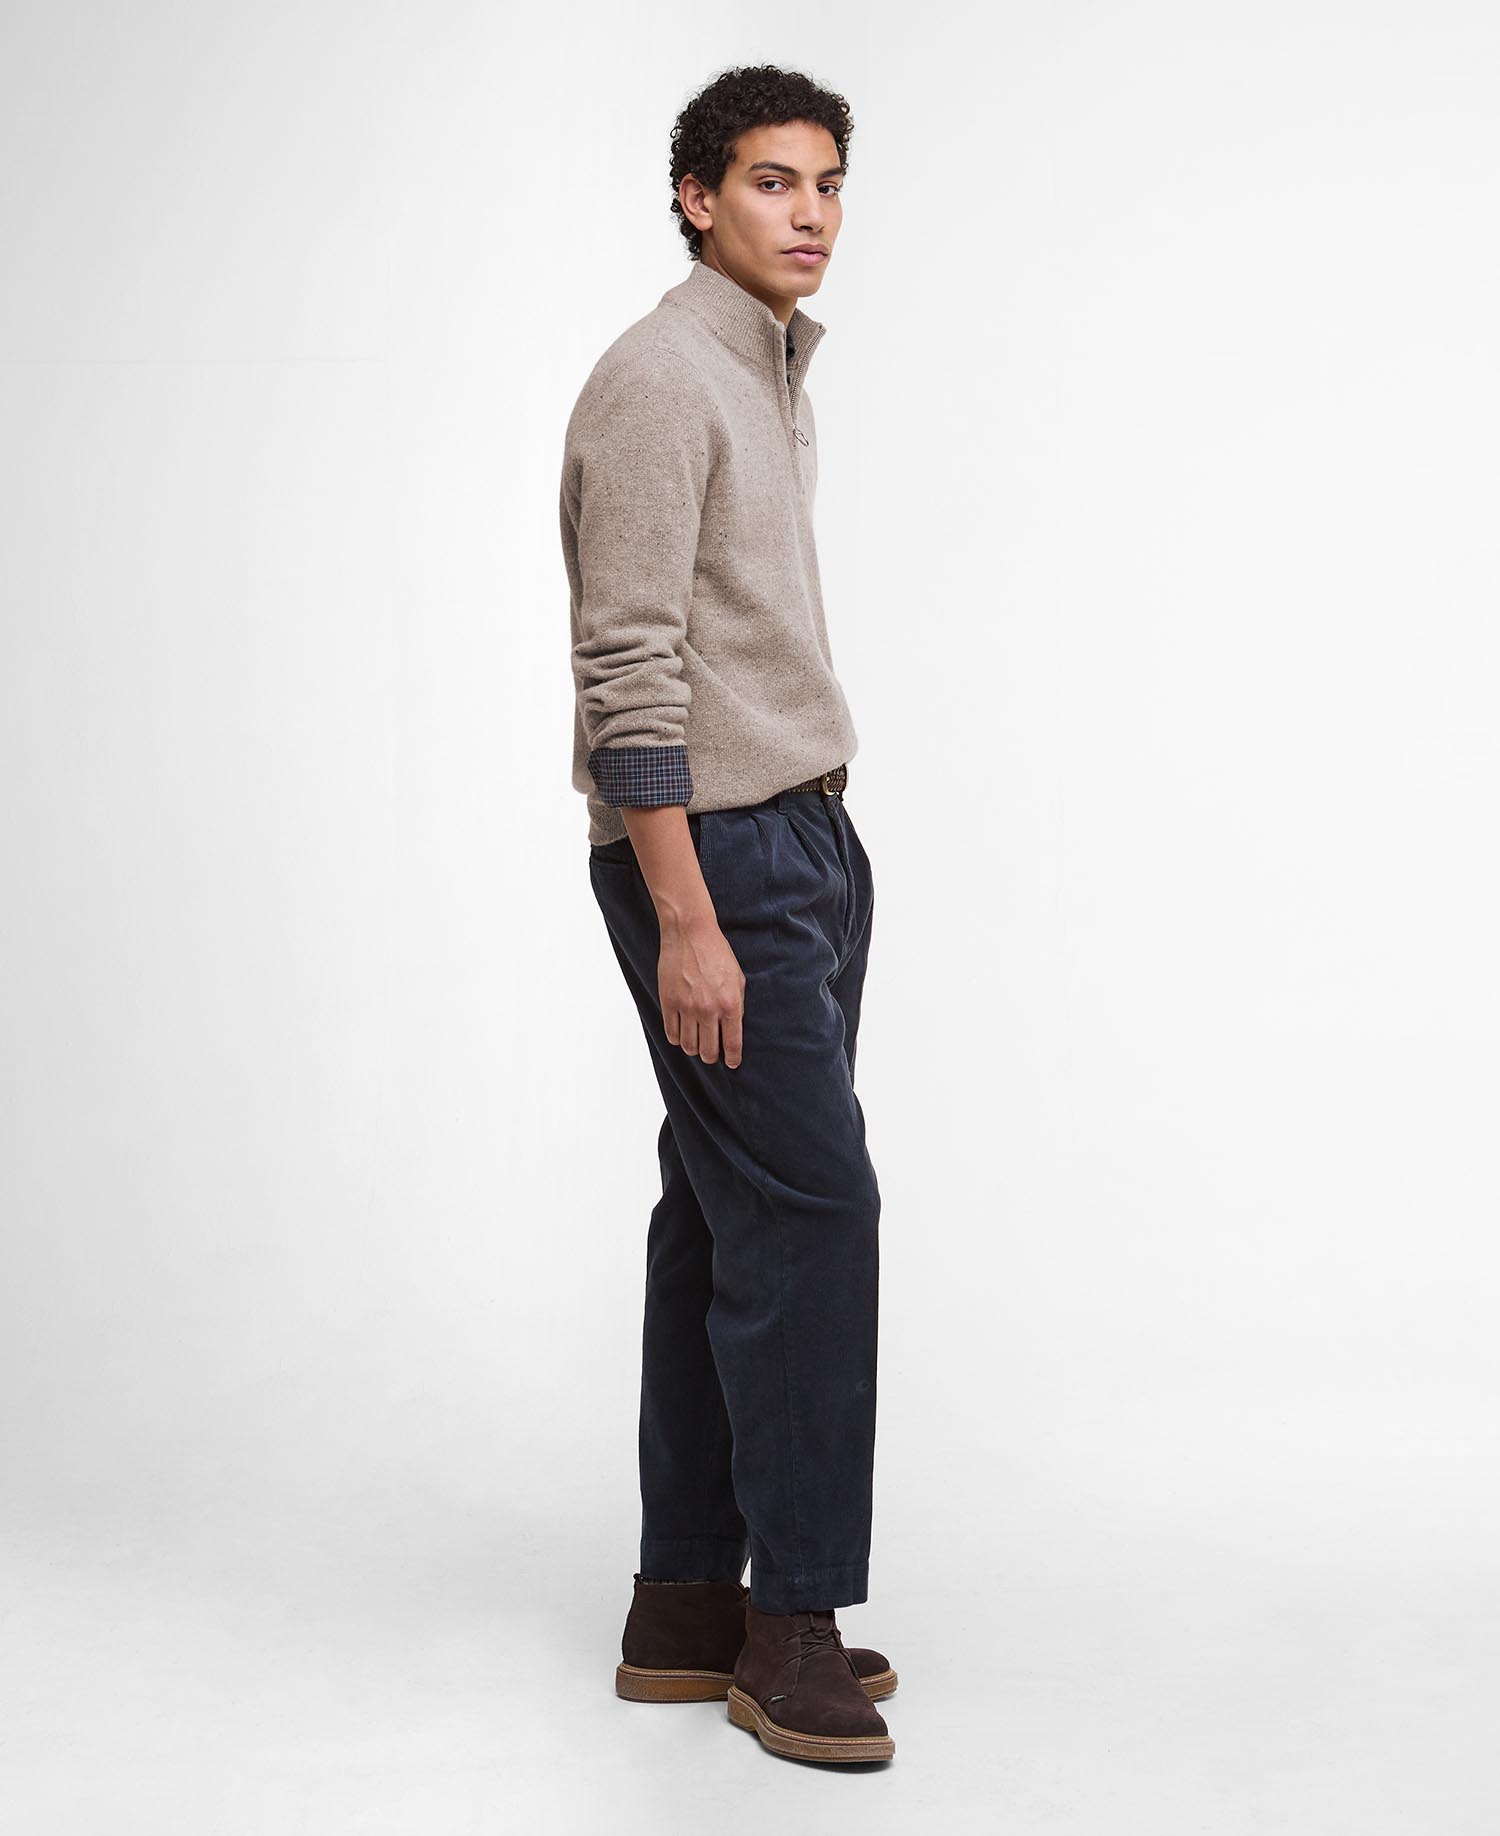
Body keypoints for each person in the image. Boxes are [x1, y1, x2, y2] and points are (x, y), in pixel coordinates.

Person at [559, 64, 894, 1767]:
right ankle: (792, 1626)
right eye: (773, 182)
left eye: (827, 183)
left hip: (802, 838)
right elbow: (627, 664)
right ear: (697, 197)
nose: (810, 212)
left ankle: (686, 1605)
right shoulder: (660, 380)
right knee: (817, 1216)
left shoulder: (763, 369)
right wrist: (686, 913)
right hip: (718, 861)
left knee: (723, 1210)